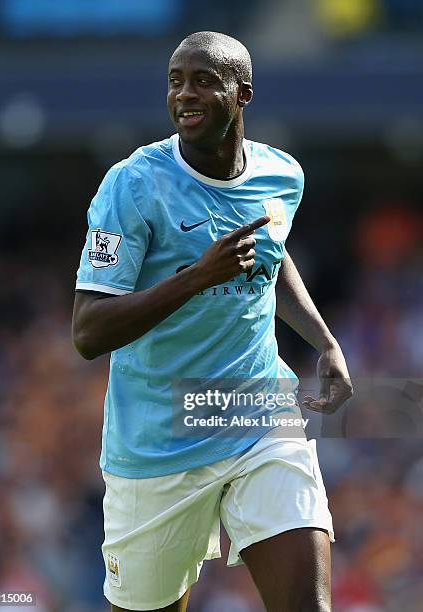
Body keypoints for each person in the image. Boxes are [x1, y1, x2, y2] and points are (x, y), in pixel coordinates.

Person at [72, 31, 353, 612]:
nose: (185, 95)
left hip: (256, 412)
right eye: (175, 81)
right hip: (158, 440)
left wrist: (324, 342)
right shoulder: (133, 184)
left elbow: (270, 254)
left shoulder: (282, 175)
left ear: (242, 93)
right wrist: (195, 277)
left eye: (203, 80)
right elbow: (88, 331)